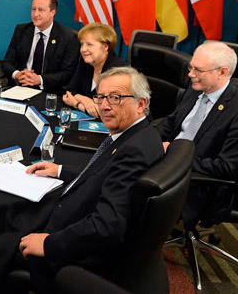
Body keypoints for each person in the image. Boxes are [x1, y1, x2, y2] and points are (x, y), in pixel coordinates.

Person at [18, 67, 163, 290]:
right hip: (79, 219)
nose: (104, 106)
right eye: (101, 97)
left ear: (141, 104)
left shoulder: (132, 151)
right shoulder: (142, 133)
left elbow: (107, 225)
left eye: (115, 98)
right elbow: (102, 173)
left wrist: (48, 243)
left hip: (77, 251)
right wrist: (59, 170)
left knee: (2, 241)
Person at [156, 41, 238, 228]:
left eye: (198, 70)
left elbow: (225, 167)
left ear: (222, 72)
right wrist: (152, 140)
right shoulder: (197, 88)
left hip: (196, 182)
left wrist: (173, 154)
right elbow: (173, 120)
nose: (190, 74)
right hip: (169, 159)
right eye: (191, 67)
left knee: (130, 189)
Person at [1, 0, 78, 94]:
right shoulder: (21, 30)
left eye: (41, 10)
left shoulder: (68, 37)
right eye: (33, 9)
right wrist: (18, 75)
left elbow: (67, 74)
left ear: (53, 12)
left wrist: (39, 79)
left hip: (49, 91)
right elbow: (7, 63)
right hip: (20, 87)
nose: (35, 14)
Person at [62, 23, 126, 118]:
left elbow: (107, 113)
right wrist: (84, 99)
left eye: (89, 44)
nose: (83, 49)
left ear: (105, 47)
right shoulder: (86, 62)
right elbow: (69, 92)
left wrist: (76, 104)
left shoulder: (118, 71)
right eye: (82, 44)